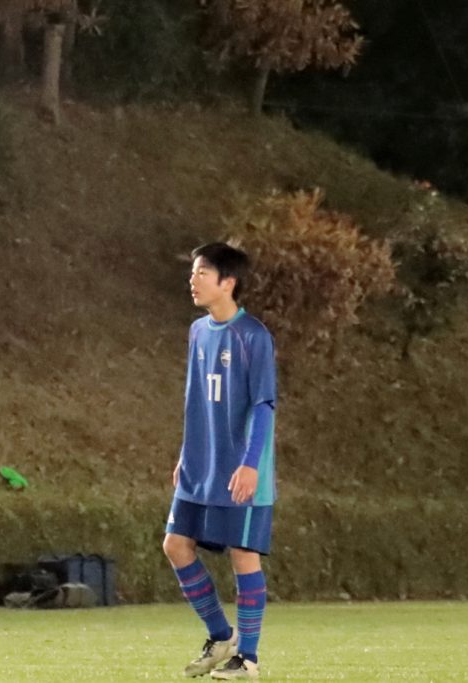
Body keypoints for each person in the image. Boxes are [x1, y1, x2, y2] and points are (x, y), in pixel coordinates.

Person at [163, 243, 277, 680]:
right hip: (201, 465)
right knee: (176, 545)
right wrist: (185, 454)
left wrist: (250, 463)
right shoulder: (197, 332)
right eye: (193, 272)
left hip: (241, 468)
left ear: (228, 282)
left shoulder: (253, 336)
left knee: (243, 555)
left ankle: (247, 658)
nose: (192, 280)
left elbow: (264, 405)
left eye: (202, 273)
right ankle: (219, 635)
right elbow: (195, 401)